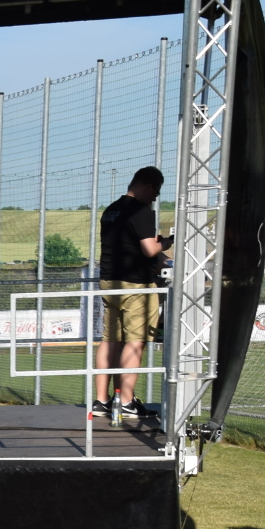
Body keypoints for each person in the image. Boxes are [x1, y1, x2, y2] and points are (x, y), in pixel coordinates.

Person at [97, 166, 172, 428]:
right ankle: (126, 402)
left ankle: (102, 400)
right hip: (135, 286)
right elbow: (150, 249)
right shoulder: (141, 212)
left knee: (110, 340)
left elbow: (126, 245)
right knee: (135, 341)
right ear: (148, 185)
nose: (155, 197)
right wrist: (168, 241)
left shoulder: (111, 210)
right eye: (156, 192)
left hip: (109, 281)